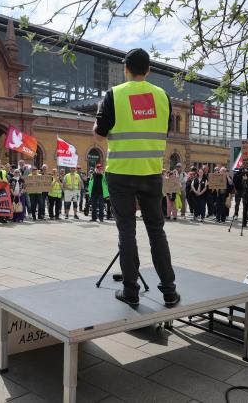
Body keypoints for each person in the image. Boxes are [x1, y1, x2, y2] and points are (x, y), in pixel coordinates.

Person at [93, 47, 179, 307]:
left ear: (125, 69)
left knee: (126, 231)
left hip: (120, 172)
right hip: (151, 172)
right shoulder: (163, 96)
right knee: (157, 230)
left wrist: (97, 121)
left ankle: (131, 291)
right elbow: (163, 131)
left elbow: (100, 133)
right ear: (149, 70)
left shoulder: (114, 95)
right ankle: (169, 291)